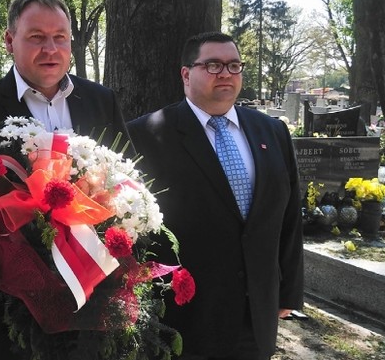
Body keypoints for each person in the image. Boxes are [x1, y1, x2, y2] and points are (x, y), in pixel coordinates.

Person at [0, 0, 132, 360]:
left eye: (60, 37)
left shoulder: (102, 101)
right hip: (5, 313)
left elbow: (127, 183)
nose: (50, 48)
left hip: (92, 308)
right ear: (9, 41)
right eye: (36, 37)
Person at [126, 31, 304, 360]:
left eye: (234, 65)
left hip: (256, 314)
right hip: (185, 318)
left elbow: (289, 216)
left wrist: (289, 291)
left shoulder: (272, 131)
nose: (225, 73)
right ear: (186, 74)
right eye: (212, 65)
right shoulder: (145, 135)